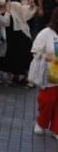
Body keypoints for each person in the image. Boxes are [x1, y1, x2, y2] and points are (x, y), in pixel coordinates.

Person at [4, 0, 38, 86]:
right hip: (9, 29)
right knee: (11, 52)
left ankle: (25, 76)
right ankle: (14, 75)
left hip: (21, 29)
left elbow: (27, 14)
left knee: (23, 52)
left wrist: (31, 6)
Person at [31, 8, 58, 138]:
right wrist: (47, 56)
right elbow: (36, 50)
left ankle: (56, 129)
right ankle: (41, 122)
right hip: (50, 73)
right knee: (47, 100)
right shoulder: (46, 33)